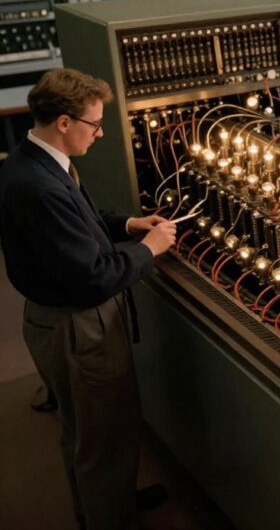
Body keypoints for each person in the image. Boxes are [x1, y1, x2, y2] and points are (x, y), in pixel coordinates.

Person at [0, 68, 177, 529]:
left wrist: (129, 225)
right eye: (94, 125)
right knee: (106, 432)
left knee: (83, 429)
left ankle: (103, 504)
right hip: (78, 327)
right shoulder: (39, 186)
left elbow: (84, 220)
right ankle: (110, 518)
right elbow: (94, 277)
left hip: (55, 319)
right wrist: (148, 251)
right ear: (63, 121)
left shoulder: (33, 162)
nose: (99, 134)